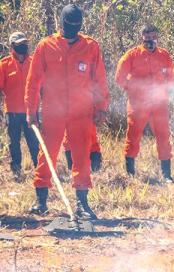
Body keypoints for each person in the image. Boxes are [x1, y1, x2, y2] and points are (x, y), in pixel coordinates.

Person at [25, 4, 109, 219]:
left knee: (82, 156)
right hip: (53, 110)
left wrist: (101, 106)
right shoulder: (46, 46)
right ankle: (41, 202)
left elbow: (99, 79)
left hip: (81, 111)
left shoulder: (91, 46)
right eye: (68, 24)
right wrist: (31, 110)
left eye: (76, 25)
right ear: (60, 23)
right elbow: (33, 81)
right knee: (47, 153)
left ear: (80, 25)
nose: (71, 28)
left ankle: (82, 204)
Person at [115, 24, 174, 182]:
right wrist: (133, 89)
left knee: (163, 136)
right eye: (147, 38)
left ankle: (167, 175)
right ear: (142, 38)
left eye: (153, 37)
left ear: (157, 37)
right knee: (133, 136)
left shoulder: (164, 55)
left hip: (159, 103)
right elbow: (119, 78)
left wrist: (165, 92)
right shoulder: (132, 55)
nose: (150, 41)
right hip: (138, 103)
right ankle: (130, 173)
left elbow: (171, 79)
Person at [0, 32, 39, 180]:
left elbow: (42, 84)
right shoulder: (4, 64)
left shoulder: (34, 62)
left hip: (32, 111)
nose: (23, 47)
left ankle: (40, 170)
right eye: (19, 45)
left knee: (34, 142)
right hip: (12, 112)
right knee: (14, 143)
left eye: (24, 44)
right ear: (12, 47)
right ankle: (16, 171)